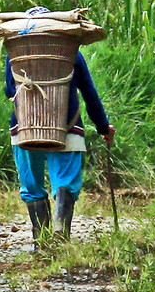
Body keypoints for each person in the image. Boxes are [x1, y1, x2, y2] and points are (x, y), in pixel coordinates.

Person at [6, 47, 114, 244]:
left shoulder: (15, 52)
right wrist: (103, 127)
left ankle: (41, 241)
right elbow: (90, 94)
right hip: (67, 126)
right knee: (65, 182)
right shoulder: (71, 51)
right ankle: (60, 233)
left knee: (31, 185)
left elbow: (10, 90)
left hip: (25, 127)